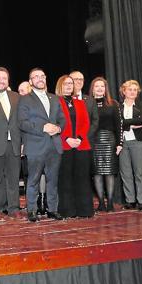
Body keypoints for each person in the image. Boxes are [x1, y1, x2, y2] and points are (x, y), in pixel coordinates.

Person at [18, 68, 65, 222]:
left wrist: (58, 128)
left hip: (54, 145)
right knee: (33, 180)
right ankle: (32, 210)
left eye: (42, 76)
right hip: (35, 145)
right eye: (36, 77)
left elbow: (62, 119)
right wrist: (43, 128)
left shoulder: (54, 98)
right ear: (31, 81)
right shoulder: (25, 99)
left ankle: (52, 209)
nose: (40, 79)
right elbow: (22, 122)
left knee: (53, 180)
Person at [55, 75, 94, 218]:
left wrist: (78, 138)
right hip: (64, 145)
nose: (69, 86)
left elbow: (85, 123)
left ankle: (84, 210)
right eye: (65, 83)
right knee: (65, 178)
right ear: (60, 85)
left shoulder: (80, 103)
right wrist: (66, 139)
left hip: (81, 145)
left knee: (82, 178)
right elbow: (56, 123)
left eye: (71, 83)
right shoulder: (55, 102)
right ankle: (67, 210)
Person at [0, 67, 23, 220]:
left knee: (13, 177)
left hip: (14, 143)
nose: (2, 81)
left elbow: (21, 121)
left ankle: (13, 207)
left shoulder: (17, 97)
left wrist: (23, 142)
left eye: (4, 78)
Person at [89, 77, 122, 212]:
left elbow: (118, 124)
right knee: (96, 172)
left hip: (109, 140)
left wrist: (120, 143)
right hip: (94, 140)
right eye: (97, 86)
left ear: (105, 89)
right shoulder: (88, 103)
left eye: (102, 86)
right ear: (93, 88)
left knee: (109, 172)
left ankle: (110, 202)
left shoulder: (113, 103)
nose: (100, 88)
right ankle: (101, 202)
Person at [118, 80, 142, 211]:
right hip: (122, 143)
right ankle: (130, 200)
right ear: (124, 91)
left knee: (140, 173)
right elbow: (117, 122)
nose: (132, 92)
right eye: (130, 89)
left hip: (139, 141)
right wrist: (130, 123)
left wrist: (125, 123)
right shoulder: (117, 106)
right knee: (126, 173)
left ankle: (141, 201)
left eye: (135, 90)